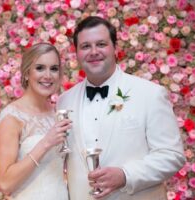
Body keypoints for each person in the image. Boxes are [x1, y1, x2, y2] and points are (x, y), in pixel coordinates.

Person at [57, 16, 186, 200]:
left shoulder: (150, 94)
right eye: (85, 46)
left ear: (115, 49)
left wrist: (125, 175)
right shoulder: (64, 101)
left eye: (101, 44)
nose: (94, 52)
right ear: (76, 53)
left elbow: (172, 155)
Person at [0, 43, 71, 200]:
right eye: (40, 68)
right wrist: (45, 143)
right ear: (27, 73)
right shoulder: (11, 118)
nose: (48, 75)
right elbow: (5, 184)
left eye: (54, 69)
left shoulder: (56, 113)